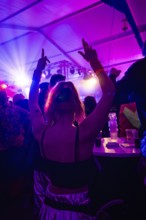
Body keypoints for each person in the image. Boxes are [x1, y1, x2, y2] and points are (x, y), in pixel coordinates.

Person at [29, 39, 115, 219]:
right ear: (77, 105)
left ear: (51, 105)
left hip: (49, 207)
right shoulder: (84, 133)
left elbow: (32, 102)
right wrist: (94, 62)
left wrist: (38, 73)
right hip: (78, 209)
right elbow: (109, 93)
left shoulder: (41, 134)